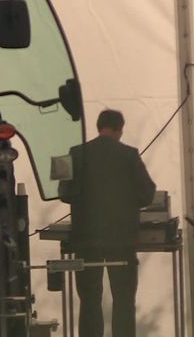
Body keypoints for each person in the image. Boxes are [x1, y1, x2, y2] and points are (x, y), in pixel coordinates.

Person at [58, 109, 155, 337]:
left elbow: (65, 193)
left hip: (86, 239)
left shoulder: (76, 153)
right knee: (123, 299)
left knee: (90, 299)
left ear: (98, 126)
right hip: (122, 241)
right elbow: (147, 194)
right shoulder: (129, 155)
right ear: (120, 129)